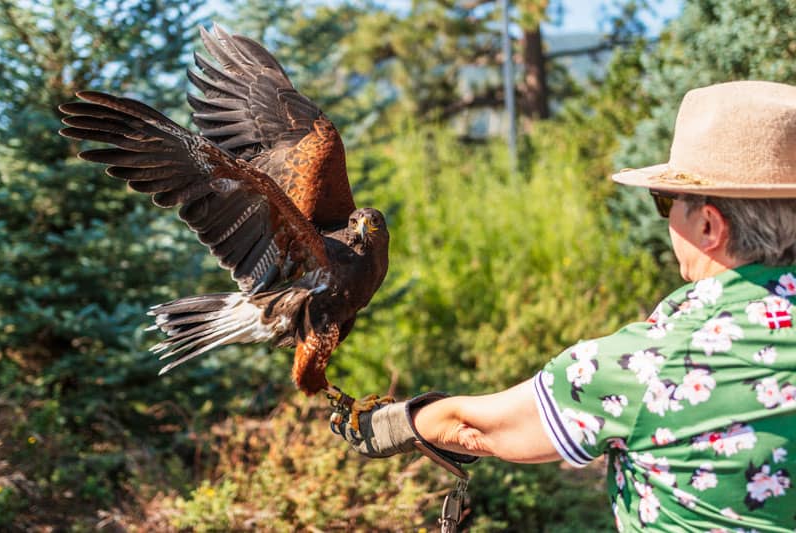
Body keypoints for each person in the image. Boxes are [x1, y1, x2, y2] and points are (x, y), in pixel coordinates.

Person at [332, 80, 796, 531]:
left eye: (665, 201)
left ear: (711, 227)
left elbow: (483, 428)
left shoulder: (656, 363)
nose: (666, 218)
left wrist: (397, 422)